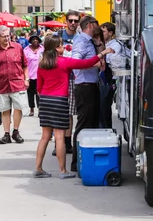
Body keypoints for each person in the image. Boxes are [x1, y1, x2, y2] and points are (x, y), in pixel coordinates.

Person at [34, 35, 114, 179]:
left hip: (45, 100)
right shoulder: (64, 62)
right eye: (60, 45)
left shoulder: (42, 64)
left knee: (45, 136)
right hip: (59, 100)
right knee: (59, 137)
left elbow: (39, 87)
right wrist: (103, 53)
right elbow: (85, 63)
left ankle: (38, 168)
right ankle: (63, 170)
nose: (63, 47)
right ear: (56, 48)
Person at [0, 25, 29, 145]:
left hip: (17, 82)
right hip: (0, 84)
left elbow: (25, 64)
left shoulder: (18, 47)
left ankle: (15, 131)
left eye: (8, 36)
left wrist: (27, 79)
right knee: (5, 110)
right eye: (4, 36)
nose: (7, 38)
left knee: (19, 107)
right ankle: (6, 134)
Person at [70, 15, 102, 172]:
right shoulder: (81, 41)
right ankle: (76, 162)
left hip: (90, 85)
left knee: (92, 124)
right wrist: (93, 63)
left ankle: (87, 159)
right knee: (84, 125)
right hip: (84, 87)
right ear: (90, 25)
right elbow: (75, 62)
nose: (99, 26)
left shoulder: (89, 41)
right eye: (97, 24)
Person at [52, 10, 81, 156]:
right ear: (66, 21)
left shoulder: (81, 38)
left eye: (76, 21)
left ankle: (67, 142)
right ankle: (58, 142)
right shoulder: (57, 36)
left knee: (69, 112)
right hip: (57, 78)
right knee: (58, 112)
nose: (73, 23)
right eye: (71, 20)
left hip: (74, 78)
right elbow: (49, 55)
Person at [99, 22, 125, 129]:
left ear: (110, 33)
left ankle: (106, 129)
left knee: (105, 106)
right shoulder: (102, 44)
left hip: (110, 79)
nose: (101, 33)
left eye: (103, 31)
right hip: (102, 78)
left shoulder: (115, 45)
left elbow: (111, 60)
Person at [23, 34, 43, 117]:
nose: (35, 40)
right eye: (33, 39)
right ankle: (31, 109)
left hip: (40, 75)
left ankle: (40, 110)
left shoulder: (42, 49)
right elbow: (23, 62)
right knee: (30, 93)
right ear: (30, 41)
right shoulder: (26, 50)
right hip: (30, 75)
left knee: (39, 93)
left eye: (36, 39)